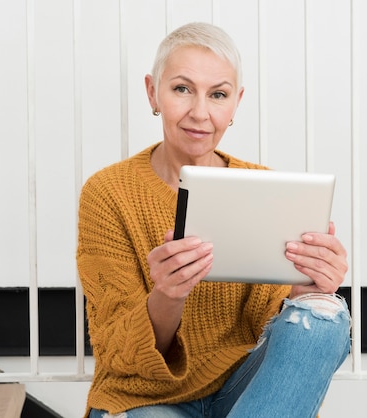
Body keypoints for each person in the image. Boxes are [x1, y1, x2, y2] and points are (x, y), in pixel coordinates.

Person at [77, 22, 351, 418]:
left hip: (247, 391)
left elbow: (276, 337)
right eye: (182, 89)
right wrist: (168, 295)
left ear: (236, 103)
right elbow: (117, 354)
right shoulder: (108, 193)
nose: (199, 113)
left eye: (218, 94)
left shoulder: (265, 188)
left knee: (326, 318)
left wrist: (307, 288)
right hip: (147, 397)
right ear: (153, 91)